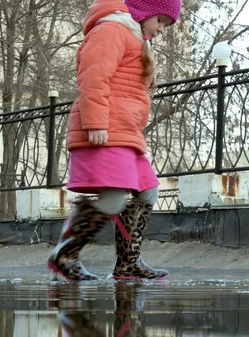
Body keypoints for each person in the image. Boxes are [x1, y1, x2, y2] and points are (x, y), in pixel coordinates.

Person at [47, 0, 182, 282]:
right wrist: (95, 121)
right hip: (104, 129)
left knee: (149, 191)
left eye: (165, 25)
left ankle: (128, 264)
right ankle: (65, 253)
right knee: (114, 199)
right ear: (144, 11)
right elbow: (94, 76)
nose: (160, 30)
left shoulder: (135, 37)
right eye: (160, 21)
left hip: (125, 133)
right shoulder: (112, 30)